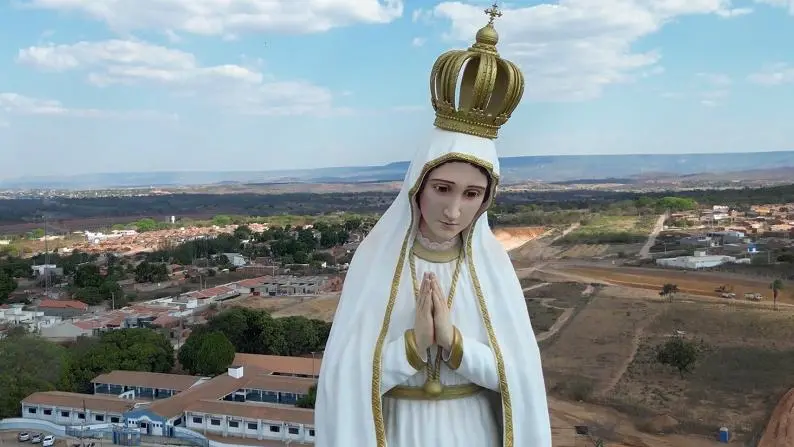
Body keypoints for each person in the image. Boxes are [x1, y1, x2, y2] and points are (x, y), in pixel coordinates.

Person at [314, 4, 552, 447]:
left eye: (471, 194)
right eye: (442, 188)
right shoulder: (377, 261)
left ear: (486, 200)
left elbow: (518, 380)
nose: (454, 211)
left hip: (473, 431)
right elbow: (342, 384)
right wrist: (413, 346)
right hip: (400, 431)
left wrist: (455, 344)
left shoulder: (493, 269)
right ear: (417, 186)